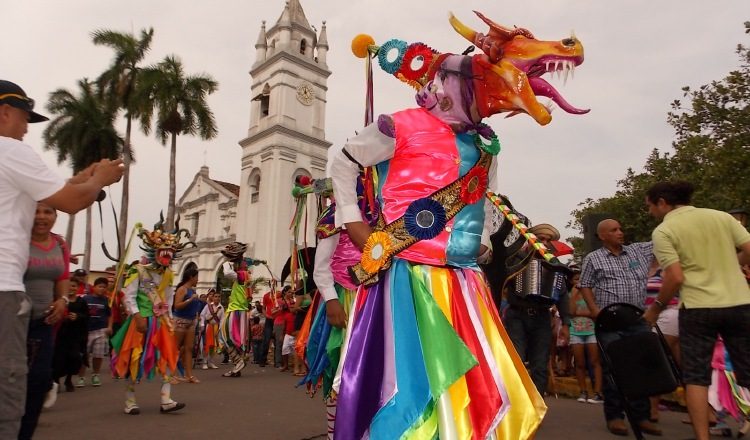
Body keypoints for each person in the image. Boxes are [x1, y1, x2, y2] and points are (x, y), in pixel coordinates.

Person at [326, 9, 594, 436]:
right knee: (408, 384)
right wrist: (352, 221)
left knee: (472, 386)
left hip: (466, 280)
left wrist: (484, 239)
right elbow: (342, 163)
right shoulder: (400, 125)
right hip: (407, 276)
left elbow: (487, 197)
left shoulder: (484, 145)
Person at [0, 79, 123, 437]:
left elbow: (54, 191)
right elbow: (68, 201)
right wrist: (99, 180)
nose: (25, 130)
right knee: (9, 394)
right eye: (24, 119)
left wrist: (86, 178)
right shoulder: (9, 150)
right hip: (5, 292)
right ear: (5, 112)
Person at [643, 181, 750, 440]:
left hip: (698, 307)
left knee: (696, 377)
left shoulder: (665, 230)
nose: (650, 212)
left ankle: (702, 436)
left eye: (649, 206)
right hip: (738, 302)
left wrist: (655, 309)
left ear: (662, 202)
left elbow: (675, 277)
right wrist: (734, 265)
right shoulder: (722, 217)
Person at [579, 218, 661, 436]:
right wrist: (594, 310)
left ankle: (641, 417)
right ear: (602, 236)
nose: (620, 232)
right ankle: (615, 417)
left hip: (637, 318)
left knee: (640, 366)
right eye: (614, 230)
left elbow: (661, 238)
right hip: (610, 319)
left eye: (620, 229)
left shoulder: (638, 251)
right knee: (613, 368)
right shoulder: (593, 259)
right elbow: (585, 285)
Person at [111, 218, 191, 415]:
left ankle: (166, 400)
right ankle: (130, 401)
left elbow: (168, 299)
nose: (168, 253)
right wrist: (137, 317)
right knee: (133, 359)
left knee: (168, 356)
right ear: (154, 250)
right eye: (164, 249)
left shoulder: (169, 275)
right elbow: (128, 296)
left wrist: (170, 319)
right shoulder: (138, 270)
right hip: (141, 321)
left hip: (161, 322)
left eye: (171, 250)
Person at [19, 202, 70, 440]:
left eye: (47, 211)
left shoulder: (59, 244)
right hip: (11, 323)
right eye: (35, 211)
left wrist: (62, 300)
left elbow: (63, 276)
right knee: (11, 382)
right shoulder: (15, 238)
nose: (41, 217)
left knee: (39, 381)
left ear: (55, 216)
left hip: (44, 322)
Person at [503, 223, 571, 396]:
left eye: (549, 240)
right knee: (516, 359)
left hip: (541, 316)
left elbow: (563, 295)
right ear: (532, 239)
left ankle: (537, 407)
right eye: (541, 239)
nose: (545, 242)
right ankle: (516, 405)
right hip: (517, 314)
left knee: (540, 365)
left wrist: (566, 324)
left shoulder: (554, 264)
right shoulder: (516, 258)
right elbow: (501, 283)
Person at [568, 270, 603, 404]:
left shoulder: (593, 292)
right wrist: (575, 294)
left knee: (595, 362)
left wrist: (582, 313)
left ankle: (598, 392)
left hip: (592, 331)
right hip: (576, 331)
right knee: (579, 363)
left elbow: (593, 313)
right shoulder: (572, 293)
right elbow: (571, 312)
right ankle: (583, 391)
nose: (579, 282)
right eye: (576, 279)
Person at [218, 242, 253, 377]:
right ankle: (236, 367)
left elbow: (227, 273)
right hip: (238, 309)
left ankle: (238, 361)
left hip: (237, 310)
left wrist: (227, 262)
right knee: (232, 338)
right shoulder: (245, 274)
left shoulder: (243, 275)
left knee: (224, 336)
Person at [51, 278, 88, 394]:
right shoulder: (59, 300)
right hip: (60, 334)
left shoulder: (81, 302)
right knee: (58, 359)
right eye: (69, 286)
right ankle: (56, 381)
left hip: (75, 335)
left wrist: (77, 317)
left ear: (77, 288)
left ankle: (69, 379)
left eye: (74, 286)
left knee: (74, 358)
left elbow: (87, 316)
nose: (71, 288)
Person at [78, 277, 112, 387]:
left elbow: (110, 315)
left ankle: (95, 375)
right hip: (86, 330)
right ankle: (81, 377)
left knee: (98, 354)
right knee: (84, 354)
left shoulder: (106, 300)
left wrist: (109, 327)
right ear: (94, 287)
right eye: (100, 286)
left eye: (104, 287)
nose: (102, 289)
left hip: (101, 330)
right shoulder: (85, 299)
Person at [171, 267, 203, 383]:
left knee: (189, 348)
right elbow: (177, 305)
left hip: (191, 321)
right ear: (191, 277)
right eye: (197, 277)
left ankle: (189, 375)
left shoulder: (193, 290)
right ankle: (172, 374)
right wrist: (190, 300)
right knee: (175, 348)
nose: (198, 280)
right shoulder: (182, 289)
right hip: (180, 320)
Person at [199, 289, 223, 369]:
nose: (217, 298)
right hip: (208, 326)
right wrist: (202, 324)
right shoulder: (208, 306)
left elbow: (222, 319)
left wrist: (220, 329)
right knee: (207, 345)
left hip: (216, 327)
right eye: (215, 296)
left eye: (219, 297)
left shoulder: (221, 307)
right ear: (213, 298)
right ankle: (205, 362)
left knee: (214, 346)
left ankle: (211, 362)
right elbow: (202, 315)